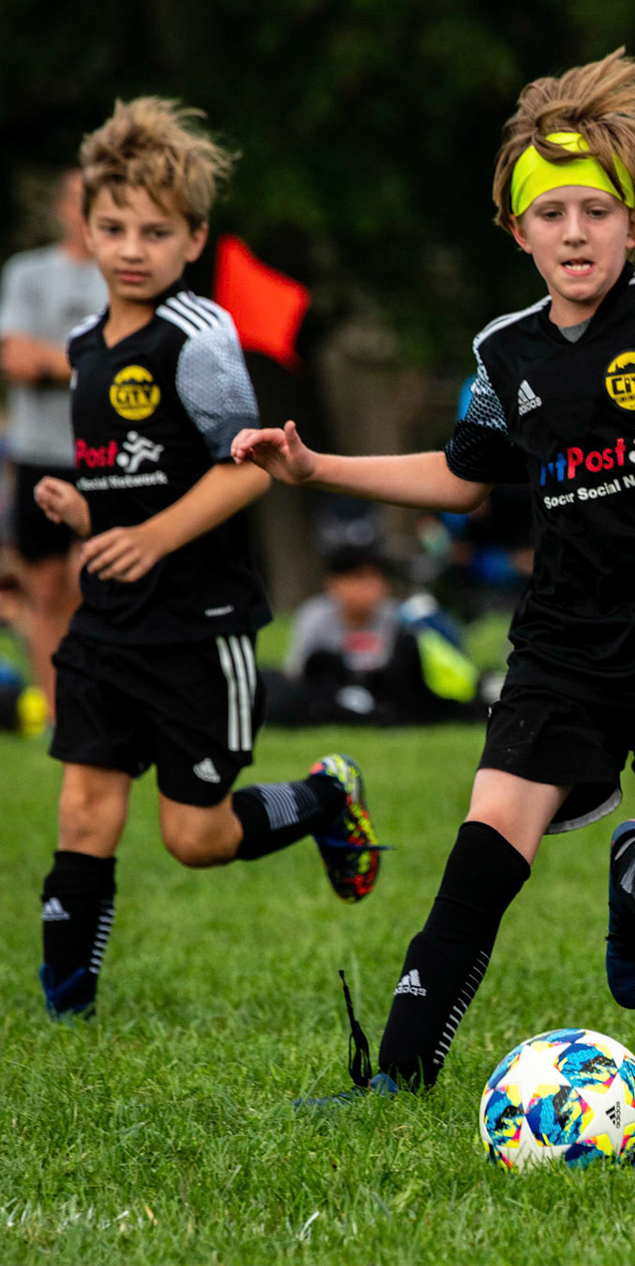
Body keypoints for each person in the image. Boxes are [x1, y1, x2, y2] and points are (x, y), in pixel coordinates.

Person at [237, 50, 635, 1095]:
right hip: (558, 641)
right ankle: (397, 1073)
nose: (572, 231)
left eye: (594, 210)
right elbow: (463, 478)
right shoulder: (504, 353)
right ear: (517, 232)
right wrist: (314, 464)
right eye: (548, 212)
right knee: (484, 849)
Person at [31, 98, 378, 1021]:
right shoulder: (80, 350)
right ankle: (69, 1007)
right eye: (113, 228)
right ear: (88, 228)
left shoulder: (198, 334)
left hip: (199, 629)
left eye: (155, 231)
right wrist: (83, 510)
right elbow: (129, 481)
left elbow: (252, 470)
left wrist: (152, 538)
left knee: (195, 838)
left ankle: (322, 796)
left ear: (194, 240)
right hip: (109, 623)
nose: (131, 248)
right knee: (82, 814)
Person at [1, 168, 108, 720]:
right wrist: (88, 362)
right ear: (64, 206)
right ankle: (57, 713)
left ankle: (99, 704)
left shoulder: (123, 275)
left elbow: (134, 360)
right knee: (43, 590)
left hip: (103, 454)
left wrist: (52, 361)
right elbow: (15, 359)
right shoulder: (27, 273)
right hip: (40, 451)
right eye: (78, 198)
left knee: (94, 583)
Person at [264, 543, 481, 728]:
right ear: (334, 583)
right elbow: (299, 672)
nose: (371, 587)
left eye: (377, 579)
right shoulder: (315, 615)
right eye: (359, 579)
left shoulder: (396, 616)